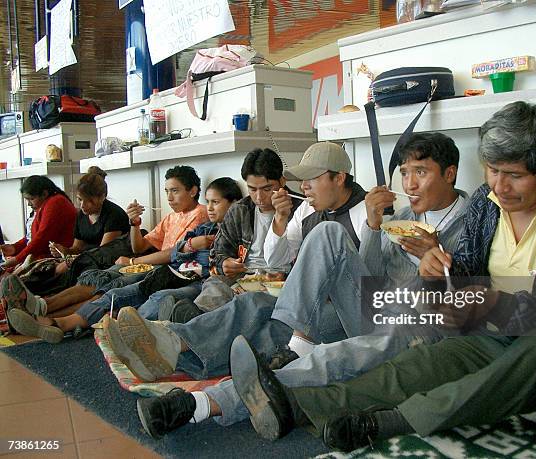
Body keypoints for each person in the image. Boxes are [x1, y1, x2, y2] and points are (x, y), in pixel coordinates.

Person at [229, 101, 536, 451]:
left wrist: (485, 304)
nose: (500, 186)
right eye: (492, 171)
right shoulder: (486, 201)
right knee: (409, 368)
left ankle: (395, 421)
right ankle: (299, 405)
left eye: (514, 176)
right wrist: (436, 268)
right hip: (481, 332)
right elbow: (461, 280)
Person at [130, 133, 473, 439]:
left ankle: (201, 403)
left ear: (450, 173)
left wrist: (439, 263)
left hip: (421, 327)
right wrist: (373, 226)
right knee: (324, 238)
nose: (410, 184)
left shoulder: (474, 223)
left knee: (330, 356)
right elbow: (370, 277)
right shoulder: (401, 219)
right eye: (405, 174)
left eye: (421, 173)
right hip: (370, 308)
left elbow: (475, 309)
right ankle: (293, 343)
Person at [104, 142, 368, 386]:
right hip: (273, 290)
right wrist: (279, 220)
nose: (305, 187)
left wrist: (376, 231)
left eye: (313, 179)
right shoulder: (304, 210)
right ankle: (172, 343)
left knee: (269, 324)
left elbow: (365, 286)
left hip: (341, 309)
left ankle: (179, 348)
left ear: (339, 177)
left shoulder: (368, 212)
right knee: (246, 303)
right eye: (305, 179)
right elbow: (272, 257)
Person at [5, 165, 208, 342]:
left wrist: (133, 260)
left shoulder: (200, 214)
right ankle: (42, 310)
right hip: (151, 263)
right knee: (100, 278)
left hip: (169, 270)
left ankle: (45, 314)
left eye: (175, 191)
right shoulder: (172, 217)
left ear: (193, 191)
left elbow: (175, 253)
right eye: (166, 191)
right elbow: (140, 245)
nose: (169, 197)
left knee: (111, 284)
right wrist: (134, 224)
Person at [49, 166, 129, 273]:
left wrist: (71, 261)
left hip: (107, 263)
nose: (82, 205)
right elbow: (77, 248)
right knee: (46, 268)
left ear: (102, 197)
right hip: (88, 259)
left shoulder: (114, 215)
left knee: (60, 271)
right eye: (80, 199)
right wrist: (64, 251)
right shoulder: (81, 215)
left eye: (88, 201)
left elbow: (102, 252)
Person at [0, 176, 77, 269]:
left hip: (55, 257)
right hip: (42, 255)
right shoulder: (44, 206)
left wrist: (17, 259)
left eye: (31, 199)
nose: (29, 204)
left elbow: (42, 238)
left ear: (44, 194)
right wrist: (14, 248)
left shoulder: (56, 203)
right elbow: (32, 237)